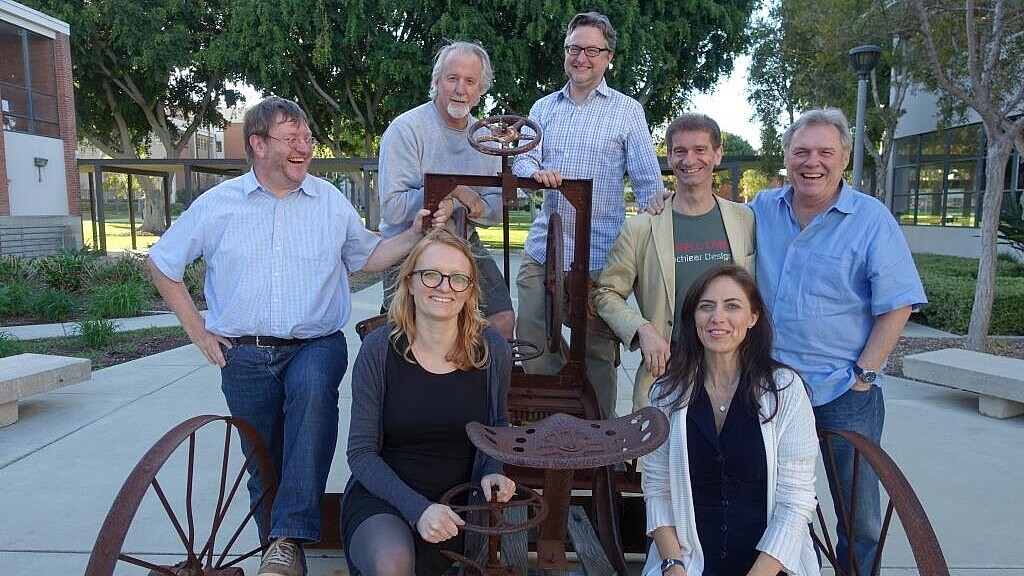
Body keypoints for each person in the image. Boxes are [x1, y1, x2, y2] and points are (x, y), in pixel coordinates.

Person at [147, 96, 448, 576]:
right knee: (261, 457)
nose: (304, 147)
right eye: (291, 138)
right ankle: (282, 553)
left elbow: (368, 257)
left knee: (312, 403)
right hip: (243, 354)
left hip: (316, 346)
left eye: (307, 138)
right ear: (258, 144)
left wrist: (413, 233)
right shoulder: (218, 205)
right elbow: (163, 264)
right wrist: (198, 332)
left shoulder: (328, 200)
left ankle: (287, 537)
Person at [751, 108, 926, 576]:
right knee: (764, 502)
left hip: (842, 392)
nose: (813, 162)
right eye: (802, 151)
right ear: (786, 156)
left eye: (825, 152)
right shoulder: (760, 211)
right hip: (766, 387)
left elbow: (897, 305)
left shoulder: (871, 220)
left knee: (859, 518)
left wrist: (864, 377)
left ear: (844, 157)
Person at [512, 11, 664, 418]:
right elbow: (521, 160)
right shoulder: (543, 108)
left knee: (597, 351)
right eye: (574, 49)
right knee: (530, 337)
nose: (581, 57)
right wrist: (535, 171)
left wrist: (651, 230)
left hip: (600, 256)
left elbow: (649, 183)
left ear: (608, 56)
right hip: (544, 249)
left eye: (592, 50)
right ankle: (553, 420)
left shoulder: (626, 111)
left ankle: (597, 436)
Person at [343, 228, 516, 576]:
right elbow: (360, 454)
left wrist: (494, 471)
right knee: (392, 565)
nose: (443, 287)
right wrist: (418, 509)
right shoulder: (379, 350)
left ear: (470, 292)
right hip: (386, 499)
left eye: (457, 279)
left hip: (460, 503)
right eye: (431, 275)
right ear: (410, 282)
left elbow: (497, 428)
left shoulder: (492, 351)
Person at [643, 265, 820, 576]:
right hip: (687, 562)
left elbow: (796, 503)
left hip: (770, 563)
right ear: (693, 318)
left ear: (753, 318)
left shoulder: (785, 390)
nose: (717, 318)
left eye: (732, 306)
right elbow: (658, 490)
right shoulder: (665, 394)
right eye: (706, 307)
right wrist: (673, 567)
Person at [594, 114, 755, 413]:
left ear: (717, 154)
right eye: (680, 151)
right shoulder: (642, 228)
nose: (689, 159)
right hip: (669, 369)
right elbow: (606, 293)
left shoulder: (745, 219)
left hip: (735, 369)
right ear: (669, 157)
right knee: (660, 458)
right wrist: (643, 329)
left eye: (700, 149)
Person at [378, 41, 515, 339]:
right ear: (437, 81)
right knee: (412, 332)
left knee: (501, 321)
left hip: (463, 241)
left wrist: (458, 202)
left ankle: (475, 382)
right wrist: (450, 191)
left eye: (470, 81)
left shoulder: (486, 139)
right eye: (452, 79)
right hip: (410, 245)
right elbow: (393, 207)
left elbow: (493, 209)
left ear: (481, 89)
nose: (460, 89)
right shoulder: (406, 129)